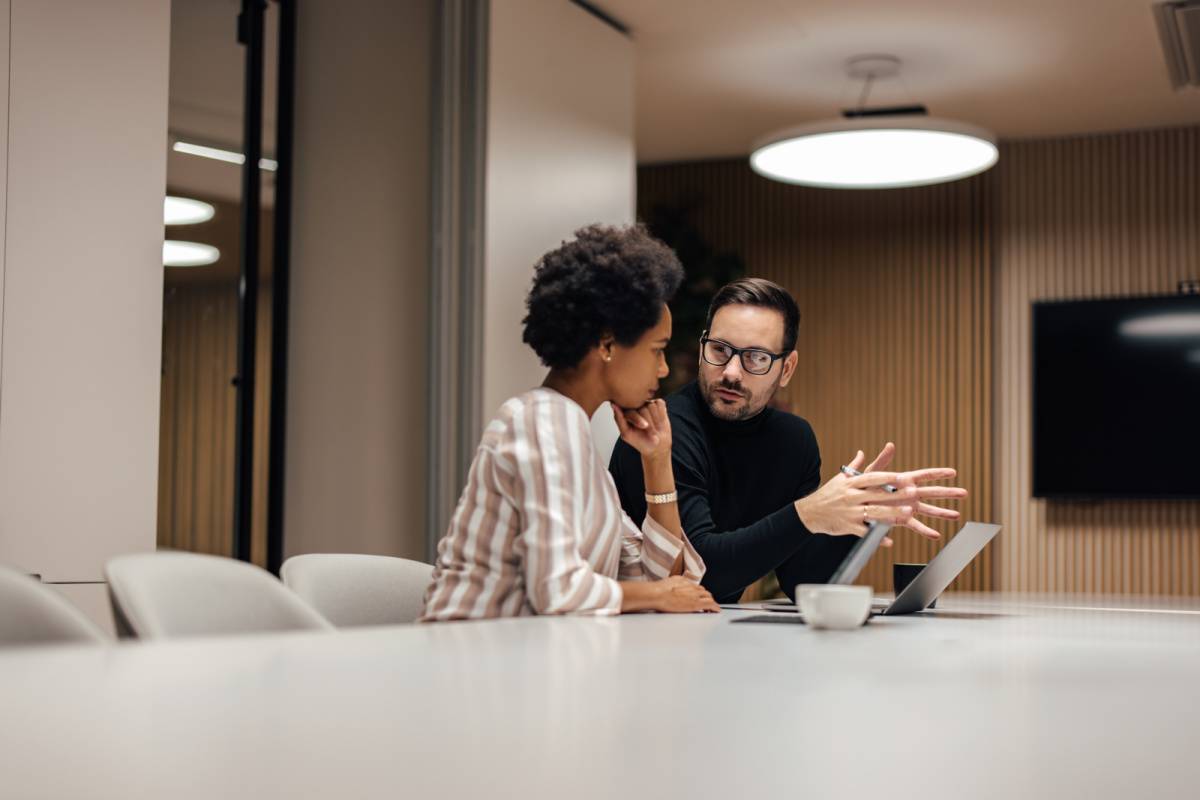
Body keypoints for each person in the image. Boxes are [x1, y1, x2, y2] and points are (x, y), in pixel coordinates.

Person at [419, 224, 720, 621]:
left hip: (524, 659)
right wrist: (659, 593)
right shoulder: (541, 422)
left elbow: (658, 576)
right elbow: (557, 590)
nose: (663, 369)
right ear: (607, 344)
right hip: (465, 661)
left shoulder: (574, 434)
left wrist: (658, 461)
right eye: (657, 350)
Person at [609, 277, 968, 605]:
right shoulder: (660, 431)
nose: (731, 372)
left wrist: (853, 515)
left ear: (787, 368)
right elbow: (699, 576)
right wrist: (808, 514)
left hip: (710, 634)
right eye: (719, 350)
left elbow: (803, 581)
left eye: (756, 358)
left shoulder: (793, 440)